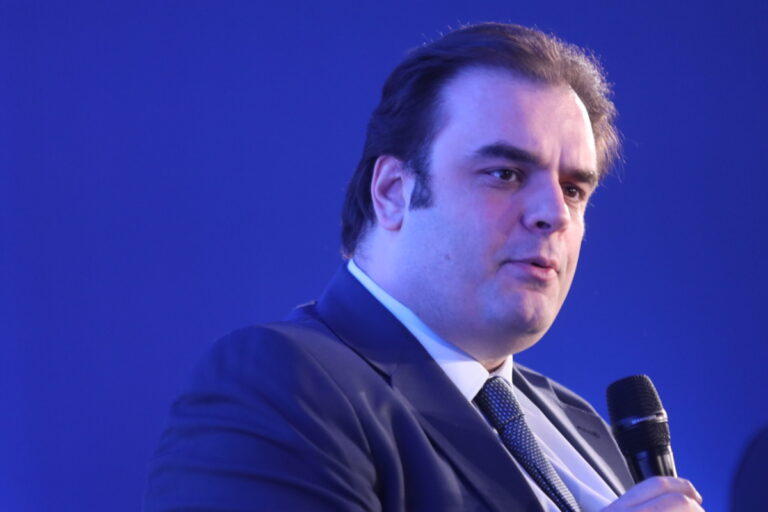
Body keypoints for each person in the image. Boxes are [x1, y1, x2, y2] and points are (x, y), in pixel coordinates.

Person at [145, 22, 704, 511]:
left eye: (574, 189)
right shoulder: (280, 384)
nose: (554, 214)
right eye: (505, 174)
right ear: (393, 191)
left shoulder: (578, 421)